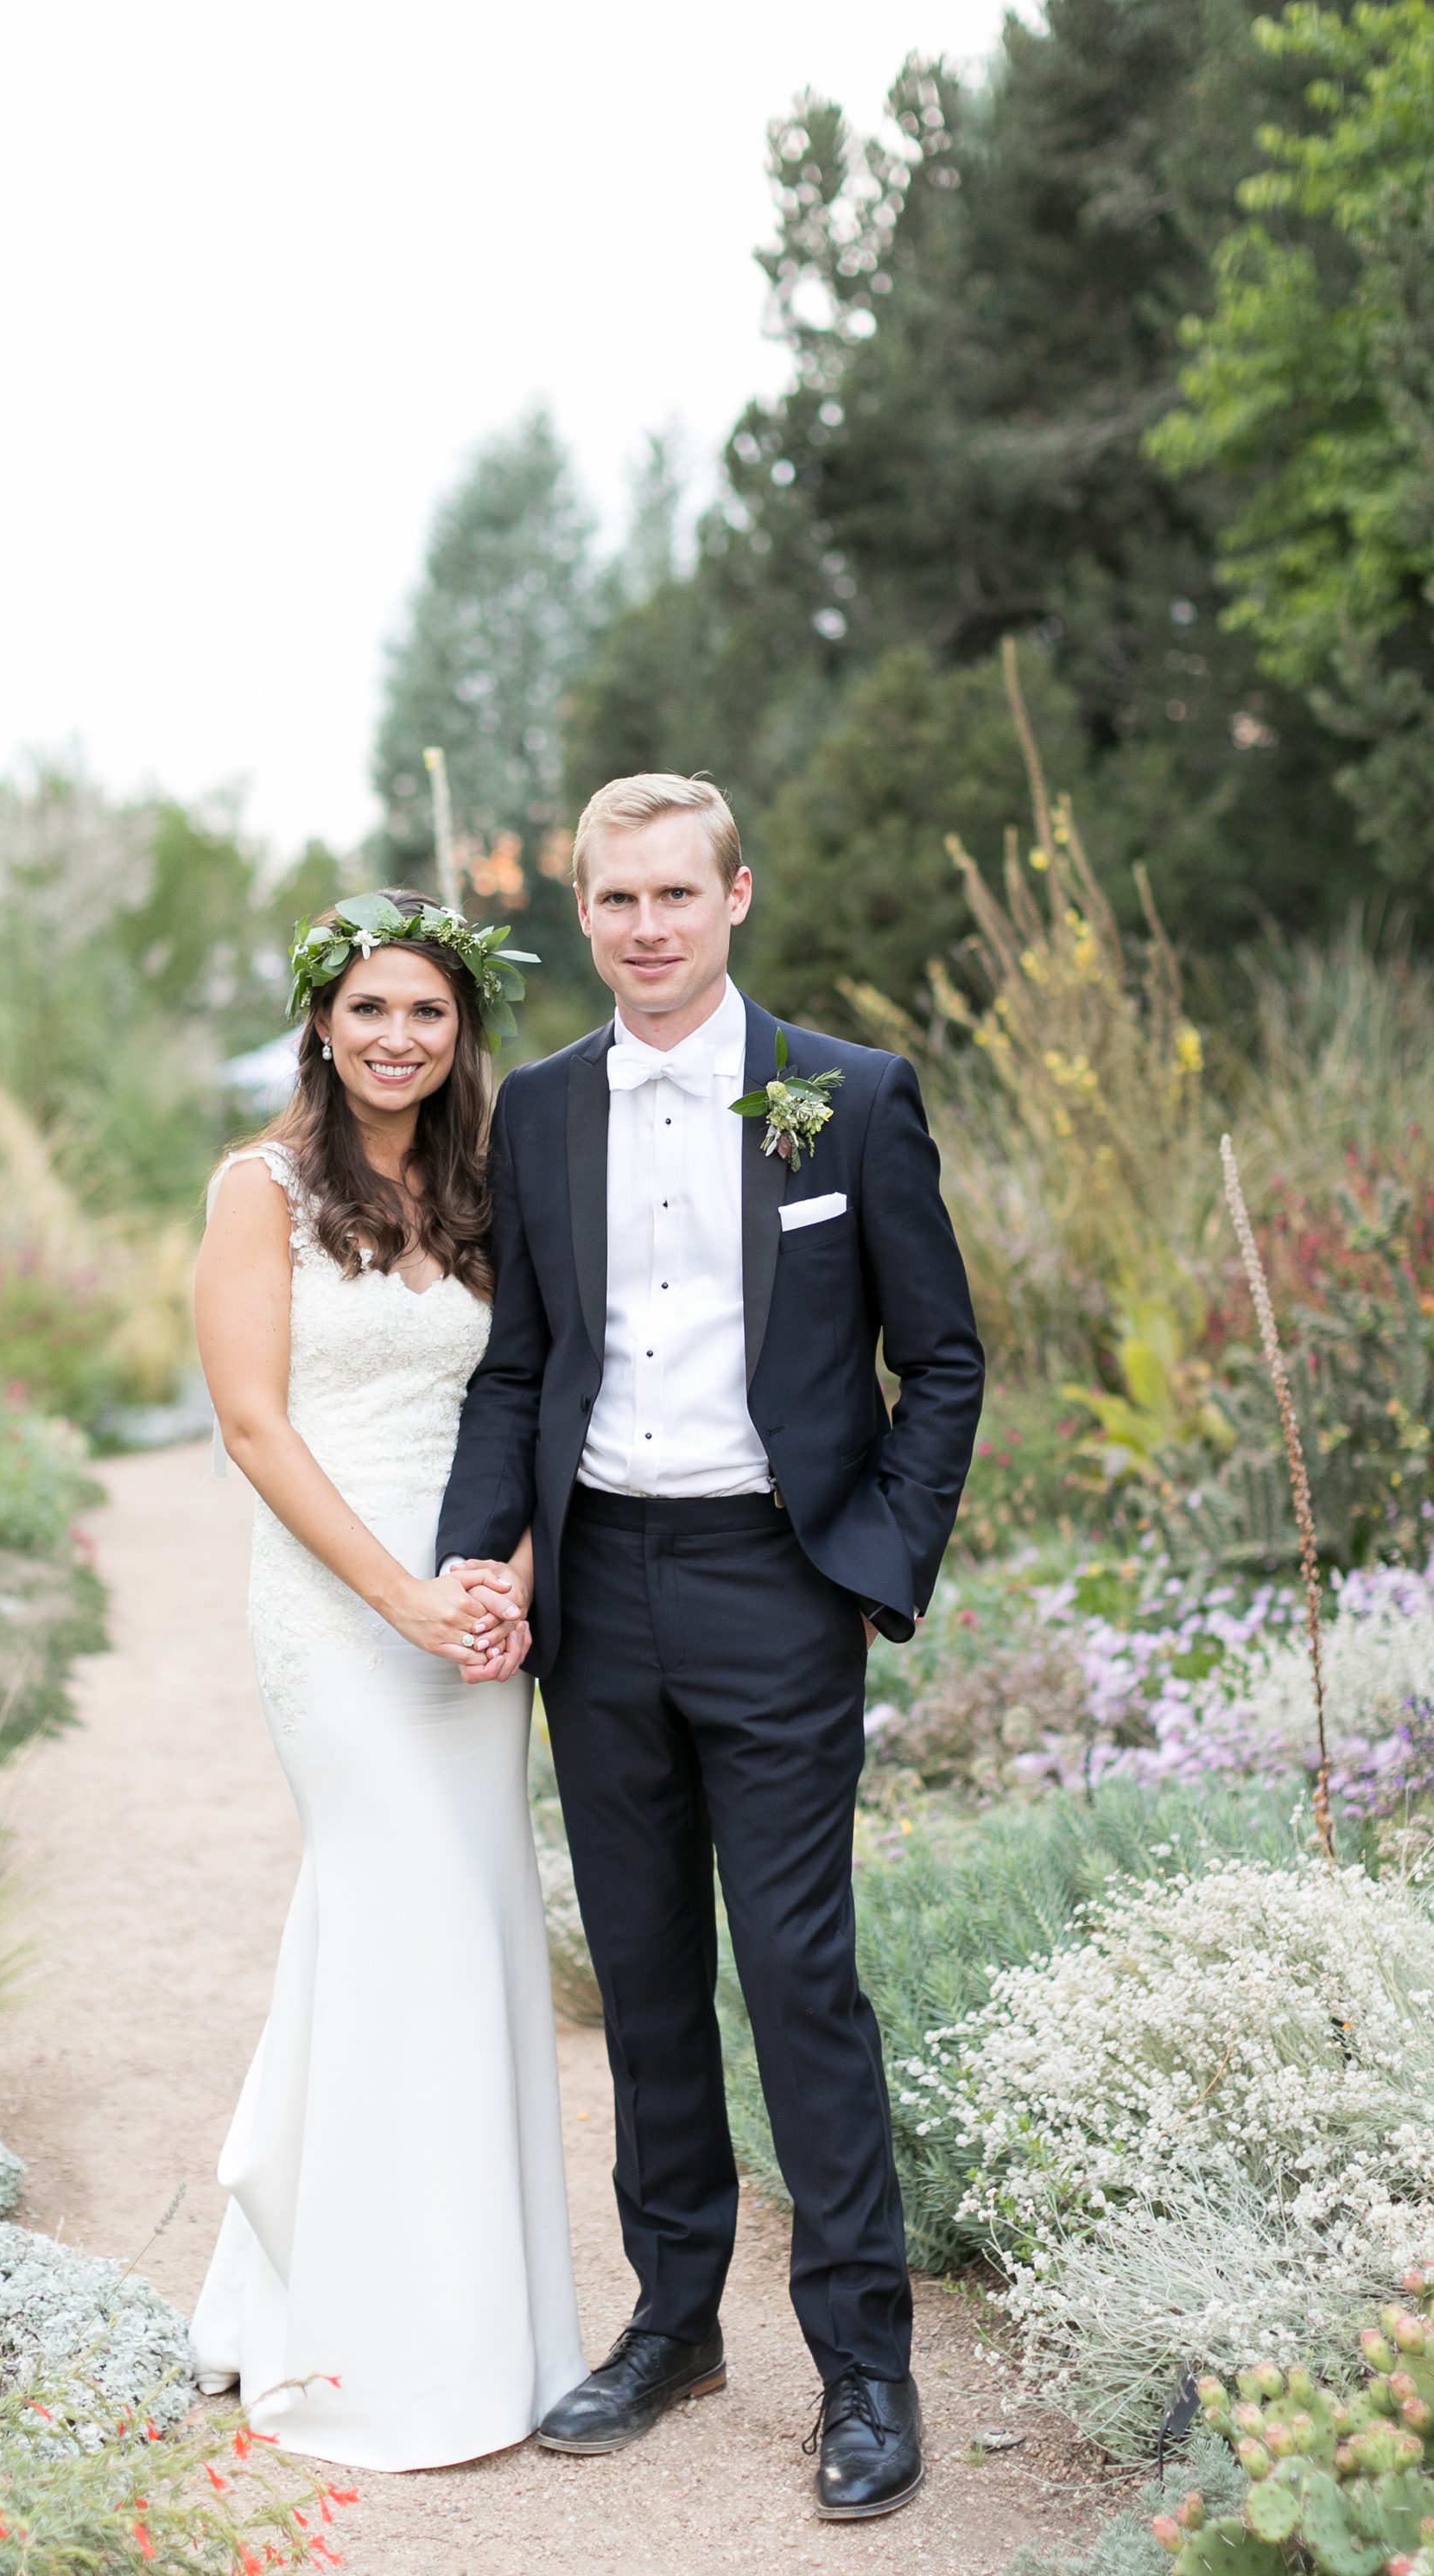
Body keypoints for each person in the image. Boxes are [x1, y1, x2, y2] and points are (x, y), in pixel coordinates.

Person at [437, 775, 984, 2522]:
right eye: (617, 899)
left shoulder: (845, 1096)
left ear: (736, 896)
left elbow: (941, 1360)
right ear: (584, 914)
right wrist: (478, 1556)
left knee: (800, 1980)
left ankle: (865, 2369)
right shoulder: (538, 1111)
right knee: (648, 1979)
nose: (647, 926)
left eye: (677, 893)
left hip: (774, 1586)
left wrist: (872, 1565)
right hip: (600, 1591)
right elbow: (521, 1364)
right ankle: (674, 2324)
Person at [187, 888, 585, 2472]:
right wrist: (399, 1598)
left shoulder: (494, 1187)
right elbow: (254, 1427)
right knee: (401, 1912)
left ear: (462, 1027)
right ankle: (378, 2349)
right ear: (322, 1023)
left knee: (461, 1929)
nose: (398, 1037)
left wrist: (507, 1584)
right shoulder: (263, 1190)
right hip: (338, 1613)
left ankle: (474, 2325)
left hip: (477, 1614)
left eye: (428, 1010)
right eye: (370, 1009)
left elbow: (541, 1389)